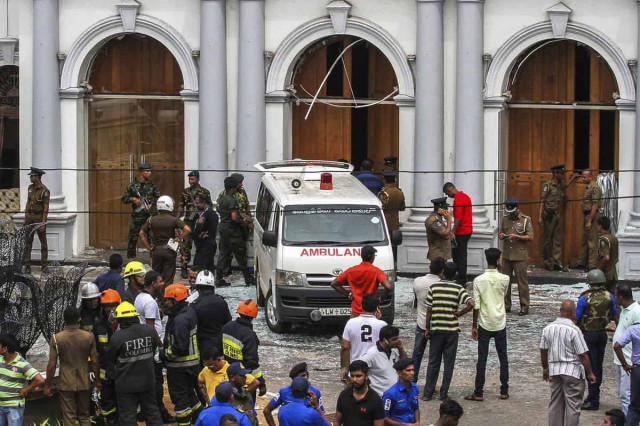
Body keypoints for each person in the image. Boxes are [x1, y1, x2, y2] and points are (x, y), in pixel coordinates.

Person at [422, 262, 474, 401]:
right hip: (451, 330)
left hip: (437, 329)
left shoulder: (434, 287)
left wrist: (427, 327)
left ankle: (427, 393)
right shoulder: (458, 288)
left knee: (433, 362)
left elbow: (429, 309)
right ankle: (444, 394)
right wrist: (459, 313)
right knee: (448, 363)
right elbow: (471, 304)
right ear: (455, 275)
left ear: (442, 273)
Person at [540, 300, 597, 426]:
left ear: (560, 311)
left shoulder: (547, 328)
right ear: (572, 312)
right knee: (573, 406)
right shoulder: (574, 330)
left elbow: (543, 350)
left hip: (555, 371)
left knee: (555, 404)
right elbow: (582, 354)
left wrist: (545, 368)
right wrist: (590, 372)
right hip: (572, 371)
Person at [464, 248, 510, 402]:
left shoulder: (478, 280)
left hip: (484, 322)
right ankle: (504, 390)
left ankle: (479, 392)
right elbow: (503, 296)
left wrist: (474, 325)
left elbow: (476, 305)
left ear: (486, 259)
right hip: (499, 321)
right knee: (503, 356)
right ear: (498, 260)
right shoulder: (505, 278)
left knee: (482, 358)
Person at [106, 301, 161, 426]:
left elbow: (110, 358)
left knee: (127, 417)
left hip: (126, 385)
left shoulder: (118, 337)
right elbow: (154, 350)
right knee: (152, 412)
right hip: (147, 381)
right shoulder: (149, 330)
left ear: (122, 320)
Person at [44, 306, 101, 426]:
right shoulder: (88, 337)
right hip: (84, 381)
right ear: (79, 319)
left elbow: (52, 364)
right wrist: (97, 381)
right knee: (84, 416)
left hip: (66, 382)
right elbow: (95, 361)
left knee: (68, 418)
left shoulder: (56, 338)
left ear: (65, 321)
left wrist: (47, 386)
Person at [134, 270, 174, 422]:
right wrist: (160, 343)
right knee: (156, 383)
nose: (162, 284)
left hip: (144, 346)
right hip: (151, 349)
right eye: (160, 281)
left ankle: (145, 411)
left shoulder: (140, 297)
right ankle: (159, 413)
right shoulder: (150, 302)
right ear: (153, 284)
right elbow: (150, 328)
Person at [576, 268, 617, 411]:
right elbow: (614, 313)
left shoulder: (584, 298)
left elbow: (577, 317)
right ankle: (595, 395)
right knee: (598, 364)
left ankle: (593, 400)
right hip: (601, 333)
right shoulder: (609, 296)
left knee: (590, 367)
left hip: (588, 334)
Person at [162, 283, 202, 426]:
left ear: (176, 300)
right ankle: (199, 420)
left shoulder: (180, 320)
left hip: (180, 366)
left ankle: (184, 423)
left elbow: (179, 347)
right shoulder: (187, 312)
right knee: (191, 396)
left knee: (180, 400)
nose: (165, 302)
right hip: (190, 366)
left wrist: (163, 355)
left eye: (167, 300)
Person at [139, 195, 191, 285]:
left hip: (156, 251)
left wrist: (148, 247)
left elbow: (141, 233)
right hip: (169, 251)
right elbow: (187, 230)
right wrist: (178, 238)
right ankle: (166, 297)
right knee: (168, 278)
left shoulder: (151, 219)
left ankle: (157, 296)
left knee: (156, 277)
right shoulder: (174, 220)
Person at [331, 245, 394, 317]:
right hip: (372, 311)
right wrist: (381, 299)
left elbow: (334, 284)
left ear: (361, 256)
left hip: (356, 312)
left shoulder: (351, 271)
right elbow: (388, 287)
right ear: (373, 257)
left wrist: (348, 295)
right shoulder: (377, 271)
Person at [216, 177, 255, 287]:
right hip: (233, 231)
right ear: (233, 188)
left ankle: (218, 279)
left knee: (222, 254)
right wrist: (242, 221)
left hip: (223, 229)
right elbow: (234, 217)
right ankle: (248, 278)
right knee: (240, 255)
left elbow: (219, 210)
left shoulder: (222, 199)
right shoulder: (232, 200)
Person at [221, 300, 266, 396]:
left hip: (228, 376)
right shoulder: (249, 335)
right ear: (253, 316)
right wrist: (261, 382)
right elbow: (252, 362)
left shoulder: (227, 326)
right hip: (243, 379)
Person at [412, 257, 445, 382]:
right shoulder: (442, 285)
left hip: (421, 323)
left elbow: (416, 301)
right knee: (434, 358)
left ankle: (412, 381)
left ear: (430, 267)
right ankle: (430, 385)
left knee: (417, 354)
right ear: (442, 271)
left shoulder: (418, 281)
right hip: (437, 324)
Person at [340, 294, 387, 382]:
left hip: (356, 369)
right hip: (376, 369)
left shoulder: (351, 323)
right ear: (377, 308)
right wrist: (378, 320)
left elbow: (345, 347)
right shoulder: (382, 325)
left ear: (361, 306)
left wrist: (344, 368)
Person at [499, 197, 533, 316]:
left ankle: (524, 306)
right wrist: (502, 235)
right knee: (505, 282)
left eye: (512, 210)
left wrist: (517, 237)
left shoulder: (526, 220)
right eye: (508, 211)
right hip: (507, 255)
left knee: (522, 282)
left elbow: (530, 237)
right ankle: (506, 305)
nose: (510, 213)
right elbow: (501, 232)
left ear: (518, 208)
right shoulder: (505, 219)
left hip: (519, 256)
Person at [0, 333, 44, 425]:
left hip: (14, 407)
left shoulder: (22, 364)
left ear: (5, 349)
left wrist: (26, 390)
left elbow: (40, 380)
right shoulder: (1, 359)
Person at [539, 165, 576, 272]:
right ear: (555, 173)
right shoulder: (548, 186)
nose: (563, 175)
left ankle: (556, 262)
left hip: (556, 215)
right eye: (561, 173)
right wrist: (540, 216)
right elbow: (542, 201)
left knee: (556, 240)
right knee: (547, 241)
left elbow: (566, 186)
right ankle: (546, 262)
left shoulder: (560, 186)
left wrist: (572, 178)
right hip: (548, 216)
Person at [178, 170, 213, 279]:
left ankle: (200, 268)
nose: (190, 181)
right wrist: (176, 220)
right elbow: (180, 206)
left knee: (201, 245)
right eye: (189, 179)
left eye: (192, 179)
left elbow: (210, 207)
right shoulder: (185, 192)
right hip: (188, 222)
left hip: (200, 224)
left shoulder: (205, 192)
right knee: (186, 246)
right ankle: (184, 267)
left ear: (198, 179)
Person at [122, 163, 160, 260]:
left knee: (152, 238)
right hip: (137, 217)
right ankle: (131, 261)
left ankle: (153, 261)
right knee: (132, 239)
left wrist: (151, 203)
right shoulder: (132, 185)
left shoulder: (151, 185)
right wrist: (133, 199)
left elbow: (158, 198)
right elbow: (124, 199)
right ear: (141, 172)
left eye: (150, 171)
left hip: (149, 217)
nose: (149, 173)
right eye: (147, 171)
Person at [613, 283, 640, 415]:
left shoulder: (636, 312)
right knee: (622, 393)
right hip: (621, 359)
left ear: (621, 296)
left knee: (627, 395)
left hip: (629, 361)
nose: (614, 298)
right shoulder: (624, 309)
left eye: (616, 295)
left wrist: (627, 363)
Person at [95, 289, 120, 426]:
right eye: (106, 306)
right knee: (107, 404)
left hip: (122, 373)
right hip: (106, 375)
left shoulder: (124, 323)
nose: (109, 310)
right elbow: (95, 351)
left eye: (112, 306)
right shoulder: (99, 325)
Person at [191, 270, 232, 353]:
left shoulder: (195, 305)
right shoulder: (222, 302)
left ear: (198, 287)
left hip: (203, 346)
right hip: (221, 345)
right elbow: (228, 322)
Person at [360, 325, 406, 396]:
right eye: (394, 339)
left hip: (394, 396)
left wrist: (401, 349)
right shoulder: (372, 354)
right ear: (385, 340)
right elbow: (358, 368)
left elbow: (405, 364)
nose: (397, 342)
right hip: (379, 397)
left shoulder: (393, 352)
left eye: (397, 339)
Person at [335, 360, 385, 426]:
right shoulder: (344, 395)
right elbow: (337, 421)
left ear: (366, 376)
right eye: (352, 376)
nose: (354, 380)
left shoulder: (375, 400)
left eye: (358, 376)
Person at [443, 182, 473, 284]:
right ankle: (461, 277)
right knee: (461, 255)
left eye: (447, 193)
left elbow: (458, 219)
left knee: (459, 257)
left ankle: (461, 279)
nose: (448, 196)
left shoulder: (458, 199)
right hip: (467, 229)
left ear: (450, 190)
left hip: (462, 231)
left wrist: (452, 231)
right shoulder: (465, 196)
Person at [23, 167, 49, 274]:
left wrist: (43, 223)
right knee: (28, 242)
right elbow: (28, 203)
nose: (30, 177)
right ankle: (27, 265)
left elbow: (46, 208)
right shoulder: (30, 188)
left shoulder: (45, 191)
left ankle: (44, 265)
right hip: (30, 218)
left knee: (43, 243)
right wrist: (25, 218)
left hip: (39, 218)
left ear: (37, 177)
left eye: (32, 176)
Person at [576, 170, 602, 271]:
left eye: (584, 177)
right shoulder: (588, 188)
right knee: (585, 239)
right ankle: (581, 262)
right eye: (582, 177)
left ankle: (592, 265)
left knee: (592, 241)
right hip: (587, 215)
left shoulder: (594, 188)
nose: (583, 179)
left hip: (593, 216)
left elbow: (595, 205)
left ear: (591, 177)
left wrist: (590, 220)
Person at [382, 358, 420, 426]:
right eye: (408, 370)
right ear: (399, 373)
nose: (412, 373)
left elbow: (416, 408)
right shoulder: (389, 394)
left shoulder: (415, 388)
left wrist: (417, 422)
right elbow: (384, 418)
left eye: (413, 370)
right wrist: (403, 425)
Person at [379, 171, 405, 265]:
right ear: (394, 180)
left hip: (385, 221)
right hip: (395, 221)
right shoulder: (399, 192)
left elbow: (381, 206)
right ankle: (394, 264)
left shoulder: (385, 192)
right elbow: (402, 208)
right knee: (394, 245)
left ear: (385, 180)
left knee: (386, 244)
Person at [193, 194, 219, 273]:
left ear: (203, 202)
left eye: (197, 203)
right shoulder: (213, 213)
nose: (196, 205)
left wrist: (197, 232)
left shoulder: (206, 213)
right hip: (210, 244)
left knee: (199, 267)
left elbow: (201, 222)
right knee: (209, 267)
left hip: (205, 244)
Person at [425, 197, 453, 261]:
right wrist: (449, 220)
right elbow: (445, 234)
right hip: (438, 254)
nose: (447, 210)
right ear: (440, 209)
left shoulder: (438, 218)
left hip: (442, 253)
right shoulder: (433, 220)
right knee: (438, 271)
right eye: (445, 208)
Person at [598, 216, 619, 293]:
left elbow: (606, 257)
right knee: (612, 296)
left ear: (600, 226)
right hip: (614, 273)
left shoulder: (604, 239)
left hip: (606, 274)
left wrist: (599, 269)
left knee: (602, 296)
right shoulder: (614, 238)